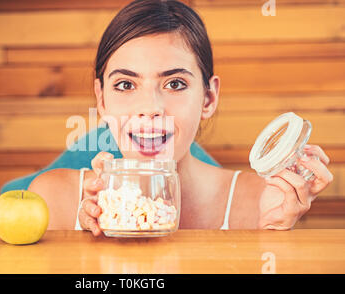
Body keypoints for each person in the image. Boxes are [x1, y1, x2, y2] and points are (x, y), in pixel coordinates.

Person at [28, 0, 333, 236]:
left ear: (208, 98)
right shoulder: (54, 199)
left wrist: (272, 235)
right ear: (102, 99)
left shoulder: (262, 200)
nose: (150, 108)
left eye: (174, 84)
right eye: (125, 84)